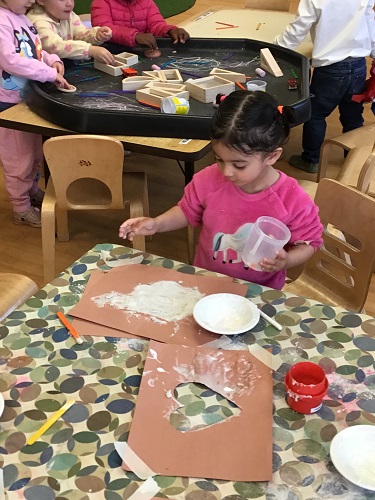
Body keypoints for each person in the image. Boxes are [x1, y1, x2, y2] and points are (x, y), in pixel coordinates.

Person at [119, 91, 323, 290]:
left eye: (239, 165)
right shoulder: (208, 179)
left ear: (272, 156)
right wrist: (156, 224)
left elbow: (310, 243)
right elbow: (187, 210)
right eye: (218, 159)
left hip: (260, 292)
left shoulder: (292, 199)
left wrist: (286, 261)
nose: (226, 171)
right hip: (208, 281)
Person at [273, 0, 375, 174]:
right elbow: (369, 21)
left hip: (330, 70)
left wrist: (276, 48)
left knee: (315, 115)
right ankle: (353, 159)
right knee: (353, 116)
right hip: (358, 65)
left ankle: (311, 159)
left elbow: (298, 28)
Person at [0, 0, 71, 227]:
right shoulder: (1, 20)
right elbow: (9, 60)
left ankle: (30, 190)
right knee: (18, 159)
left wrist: (53, 61)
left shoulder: (22, 18)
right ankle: (21, 207)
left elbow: (34, 52)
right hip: (8, 104)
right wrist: (47, 73)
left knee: (34, 154)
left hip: (28, 99)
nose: (32, 0)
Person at [28, 0, 115, 63]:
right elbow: (55, 46)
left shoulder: (68, 15)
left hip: (63, 68)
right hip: (42, 76)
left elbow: (80, 33)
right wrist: (89, 50)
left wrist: (96, 34)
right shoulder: (37, 22)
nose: (69, 3)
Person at [90, 0, 189, 50]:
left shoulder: (147, 2)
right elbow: (103, 29)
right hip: (111, 54)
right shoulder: (101, 2)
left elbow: (156, 24)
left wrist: (170, 30)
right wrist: (134, 36)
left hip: (140, 53)